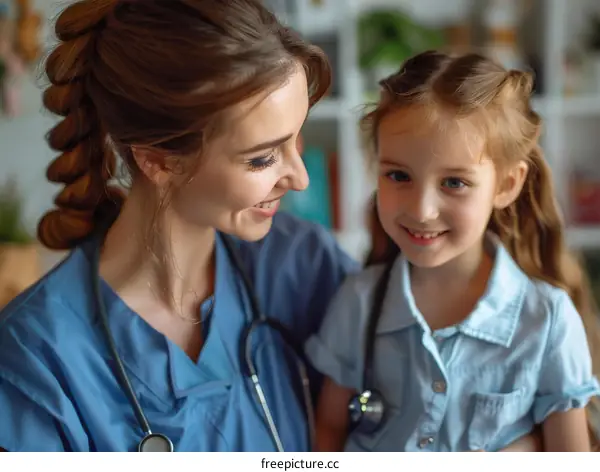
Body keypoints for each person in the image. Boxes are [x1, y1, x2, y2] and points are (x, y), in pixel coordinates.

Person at [0, 0, 361, 452]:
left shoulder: (301, 265)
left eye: (296, 139)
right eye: (263, 157)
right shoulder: (36, 360)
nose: (300, 177)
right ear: (159, 161)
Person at [305, 50, 600, 452]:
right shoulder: (357, 302)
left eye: (455, 183)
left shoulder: (547, 321)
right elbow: (328, 434)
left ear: (506, 185)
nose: (422, 211)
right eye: (398, 175)